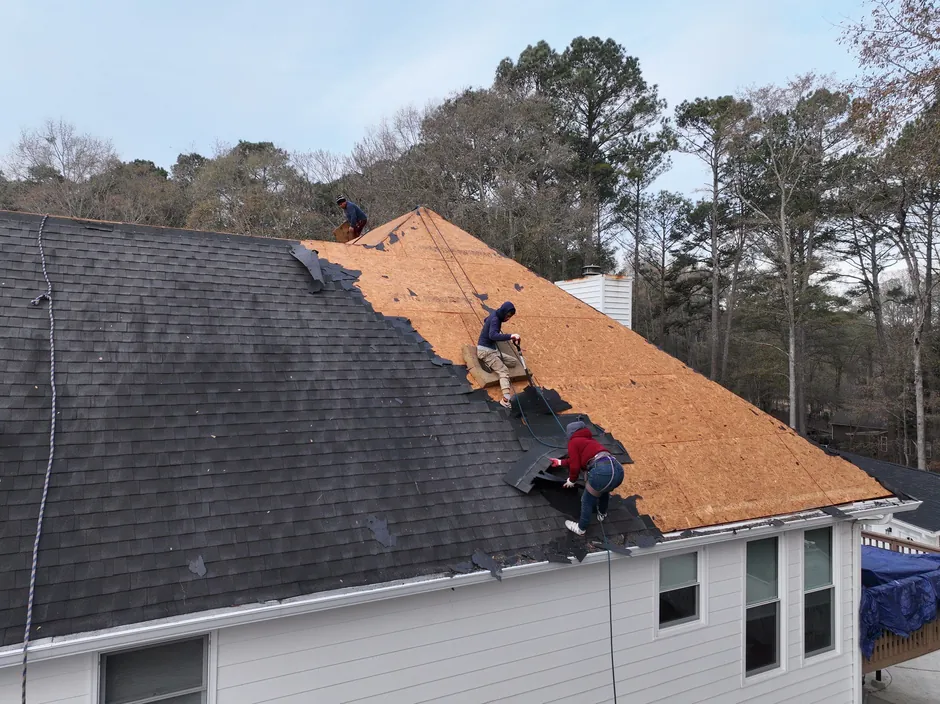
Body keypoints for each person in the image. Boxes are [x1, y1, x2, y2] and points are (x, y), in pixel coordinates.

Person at [551, 421, 625, 536]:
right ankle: (602, 513)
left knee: (586, 500)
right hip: (617, 469)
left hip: (602, 472)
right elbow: (576, 460)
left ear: (571, 433)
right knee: (603, 490)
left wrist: (571, 480)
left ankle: (581, 528)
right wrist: (560, 462)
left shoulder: (573, 442)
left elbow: (575, 466)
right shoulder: (590, 441)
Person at [476, 301, 520, 408]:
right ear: (503, 312)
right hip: (485, 351)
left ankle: (490, 364)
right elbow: (493, 336)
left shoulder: (495, 315)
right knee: (503, 370)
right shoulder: (496, 319)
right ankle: (505, 400)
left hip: (492, 350)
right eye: (508, 315)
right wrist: (511, 336)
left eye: (510, 317)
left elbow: (486, 320)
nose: (508, 318)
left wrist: (490, 326)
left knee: (513, 361)